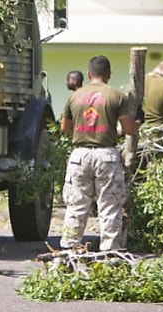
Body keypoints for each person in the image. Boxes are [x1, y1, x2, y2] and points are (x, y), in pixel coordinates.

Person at [59, 55, 138, 251]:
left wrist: (82, 134)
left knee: (76, 205)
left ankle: (69, 249)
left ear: (88, 74)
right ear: (109, 74)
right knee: (110, 206)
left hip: (80, 154)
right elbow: (129, 129)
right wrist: (137, 123)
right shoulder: (117, 96)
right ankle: (109, 253)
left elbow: (64, 127)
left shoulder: (74, 96)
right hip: (106, 155)